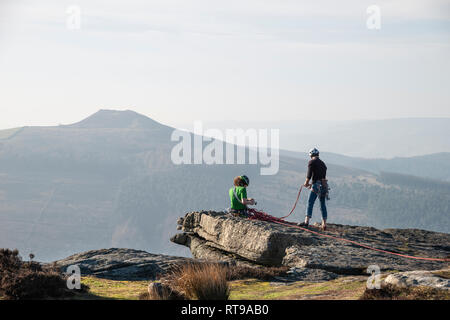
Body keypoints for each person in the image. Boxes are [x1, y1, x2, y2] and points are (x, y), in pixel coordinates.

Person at [298, 148, 328, 230]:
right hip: (323, 185)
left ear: (311, 155)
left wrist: (306, 183)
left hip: (316, 185)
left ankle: (306, 222)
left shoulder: (312, 162)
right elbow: (322, 177)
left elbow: (309, 174)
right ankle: (324, 224)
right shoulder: (323, 164)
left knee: (310, 202)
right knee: (322, 204)